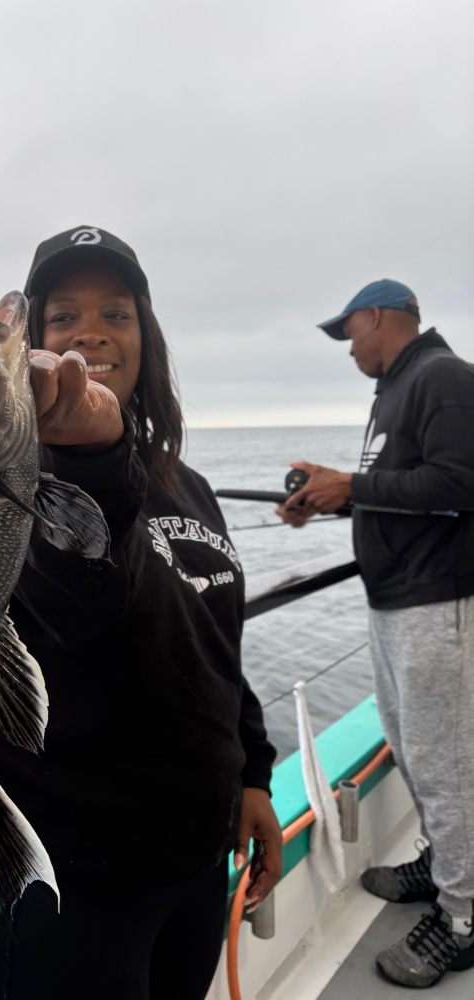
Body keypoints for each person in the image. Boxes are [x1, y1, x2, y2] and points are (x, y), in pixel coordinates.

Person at [0, 225, 283, 1000]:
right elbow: (76, 608)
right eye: (63, 315)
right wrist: (86, 459)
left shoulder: (185, 482)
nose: (91, 330)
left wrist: (252, 776)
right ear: (32, 342)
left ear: (145, 337)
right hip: (62, 887)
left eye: (116, 313)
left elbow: (213, 644)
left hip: (192, 864)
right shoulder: (0, 489)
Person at [278, 279, 474, 989]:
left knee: (448, 764)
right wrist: (327, 498)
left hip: (437, 602)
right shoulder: (393, 391)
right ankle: (440, 863)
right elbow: (402, 494)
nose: (349, 345)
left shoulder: (443, 378)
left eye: (351, 331)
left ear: (383, 317)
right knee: (418, 751)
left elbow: (459, 484)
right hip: (395, 601)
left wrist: (351, 490)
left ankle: (465, 916)